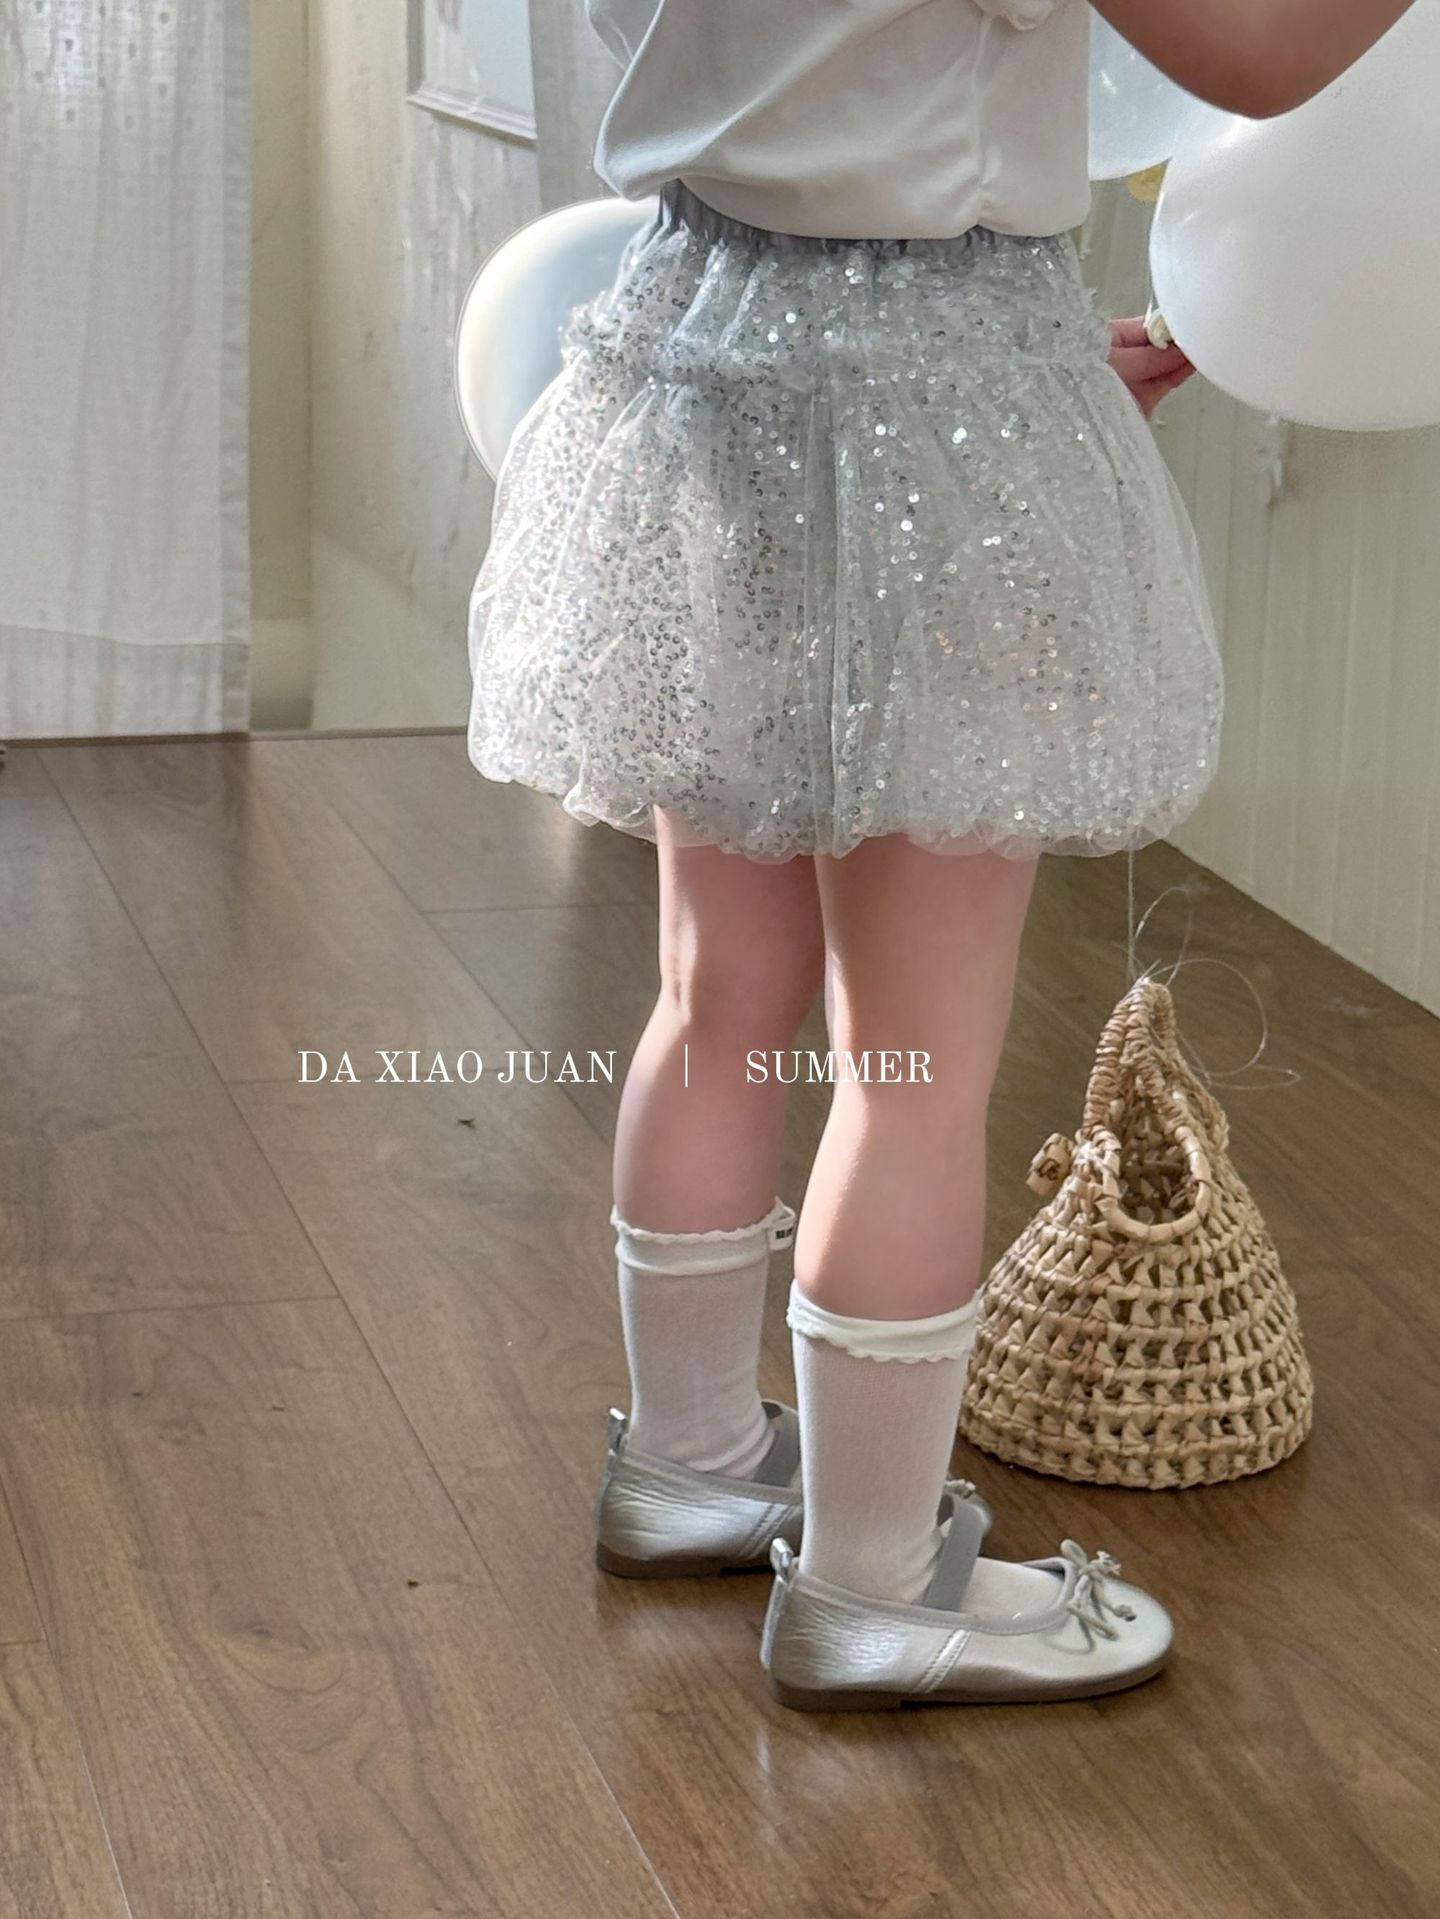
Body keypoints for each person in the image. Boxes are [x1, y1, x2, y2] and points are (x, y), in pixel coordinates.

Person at [466, 0, 1417, 1711]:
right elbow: (1260, 55)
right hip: (943, 370)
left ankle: (690, 1462)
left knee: (713, 995)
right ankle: (875, 1584)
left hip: (699, 333)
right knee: (912, 1064)